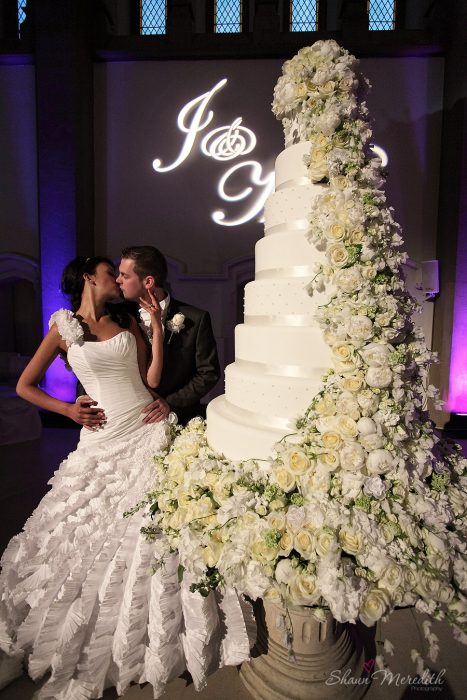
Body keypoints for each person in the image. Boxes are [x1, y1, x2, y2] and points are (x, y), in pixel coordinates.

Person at [0, 256, 250, 698]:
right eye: (108, 272)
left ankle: (152, 633)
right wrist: (67, 409)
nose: (116, 279)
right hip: (100, 435)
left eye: (121, 273)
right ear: (87, 279)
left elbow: (150, 377)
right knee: (84, 524)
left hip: (145, 428)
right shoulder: (63, 327)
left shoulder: (125, 319)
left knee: (147, 528)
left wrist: (154, 327)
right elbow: (25, 385)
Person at [116, 245, 220, 426]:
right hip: (125, 419)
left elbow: (208, 373)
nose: (118, 280)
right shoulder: (117, 316)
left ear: (148, 282)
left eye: (125, 275)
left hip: (178, 420)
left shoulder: (196, 318)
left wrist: (170, 404)